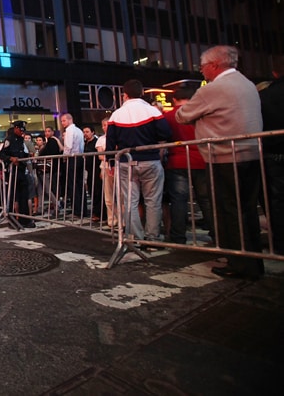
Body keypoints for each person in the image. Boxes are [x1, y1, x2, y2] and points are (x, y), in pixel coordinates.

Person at [176, 45, 263, 280]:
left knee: (228, 211)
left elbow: (182, 115)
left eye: (203, 66)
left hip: (224, 156)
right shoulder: (247, 84)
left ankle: (239, 262)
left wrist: (200, 118)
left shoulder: (213, 89)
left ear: (214, 65)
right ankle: (254, 261)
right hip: (252, 155)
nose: (201, 71)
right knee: (247, 210)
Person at [106, 79, 172, 243]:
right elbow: (166, 134)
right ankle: (153, 237)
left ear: (125, 95)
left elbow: (109, 144)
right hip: (150, 160)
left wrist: (111, 163)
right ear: (142, 93)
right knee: (153, 201)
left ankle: (136, 237)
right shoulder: (152, 111)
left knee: (130, 202)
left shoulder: (116, 114)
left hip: (126, 163)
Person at [163, 86, 214, 244]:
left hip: (177, 160)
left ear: (174, 99)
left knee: (178, 200)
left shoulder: (168, 116)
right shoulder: (201, 114)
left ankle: (178, 236)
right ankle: (217, 234)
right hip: (201, 158)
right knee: (205, 199)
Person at [260, 56, 284, 254]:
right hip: (273, 153)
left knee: (276, 201)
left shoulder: (267, 95)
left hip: (274, 153)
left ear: (275, 72)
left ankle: (280, 245)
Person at [0, 121, 35, 228]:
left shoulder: (21, 139)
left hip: (21, 171)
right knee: (13, 196)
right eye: (20, 130)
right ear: (16, 129)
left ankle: (25, 220)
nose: (22, 132)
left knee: (24, 195)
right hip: (13, 172)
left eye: (23, 131)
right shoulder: (9, 140)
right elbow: (1, 154)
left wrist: (28, 155)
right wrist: (10, 158)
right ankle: (12, 219)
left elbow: (21, 153)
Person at [60, 113, 86, 217]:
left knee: (73, 184)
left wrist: (64, 157)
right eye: (62, 121)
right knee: (79, 184)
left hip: (73, 158)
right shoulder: (79, 130)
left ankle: (77, 210)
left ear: (70, 120)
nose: (62, 123)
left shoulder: (69, 131)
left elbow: (68, 146)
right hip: (80, 157)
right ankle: (82, 209)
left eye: (64, 121)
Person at [95, 117, 117, 227]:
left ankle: (123, 219)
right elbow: (100, 156)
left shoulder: (117, 137)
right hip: (106, 167)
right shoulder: (101, 139)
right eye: (103, 125)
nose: (105, 127)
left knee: (120, 195)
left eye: (107, 125)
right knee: (108, 195)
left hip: (118, 167)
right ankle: (111, 219)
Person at [83, 124, 103, 222]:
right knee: (91, 191)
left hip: (97, 169)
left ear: (92, 132)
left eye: (87, 132)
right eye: (84, 132)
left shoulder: (96, 142)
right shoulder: (86, 143)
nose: (85, 134)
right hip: (89, 170)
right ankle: (95, 212)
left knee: (98, 191)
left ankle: (99, 213)